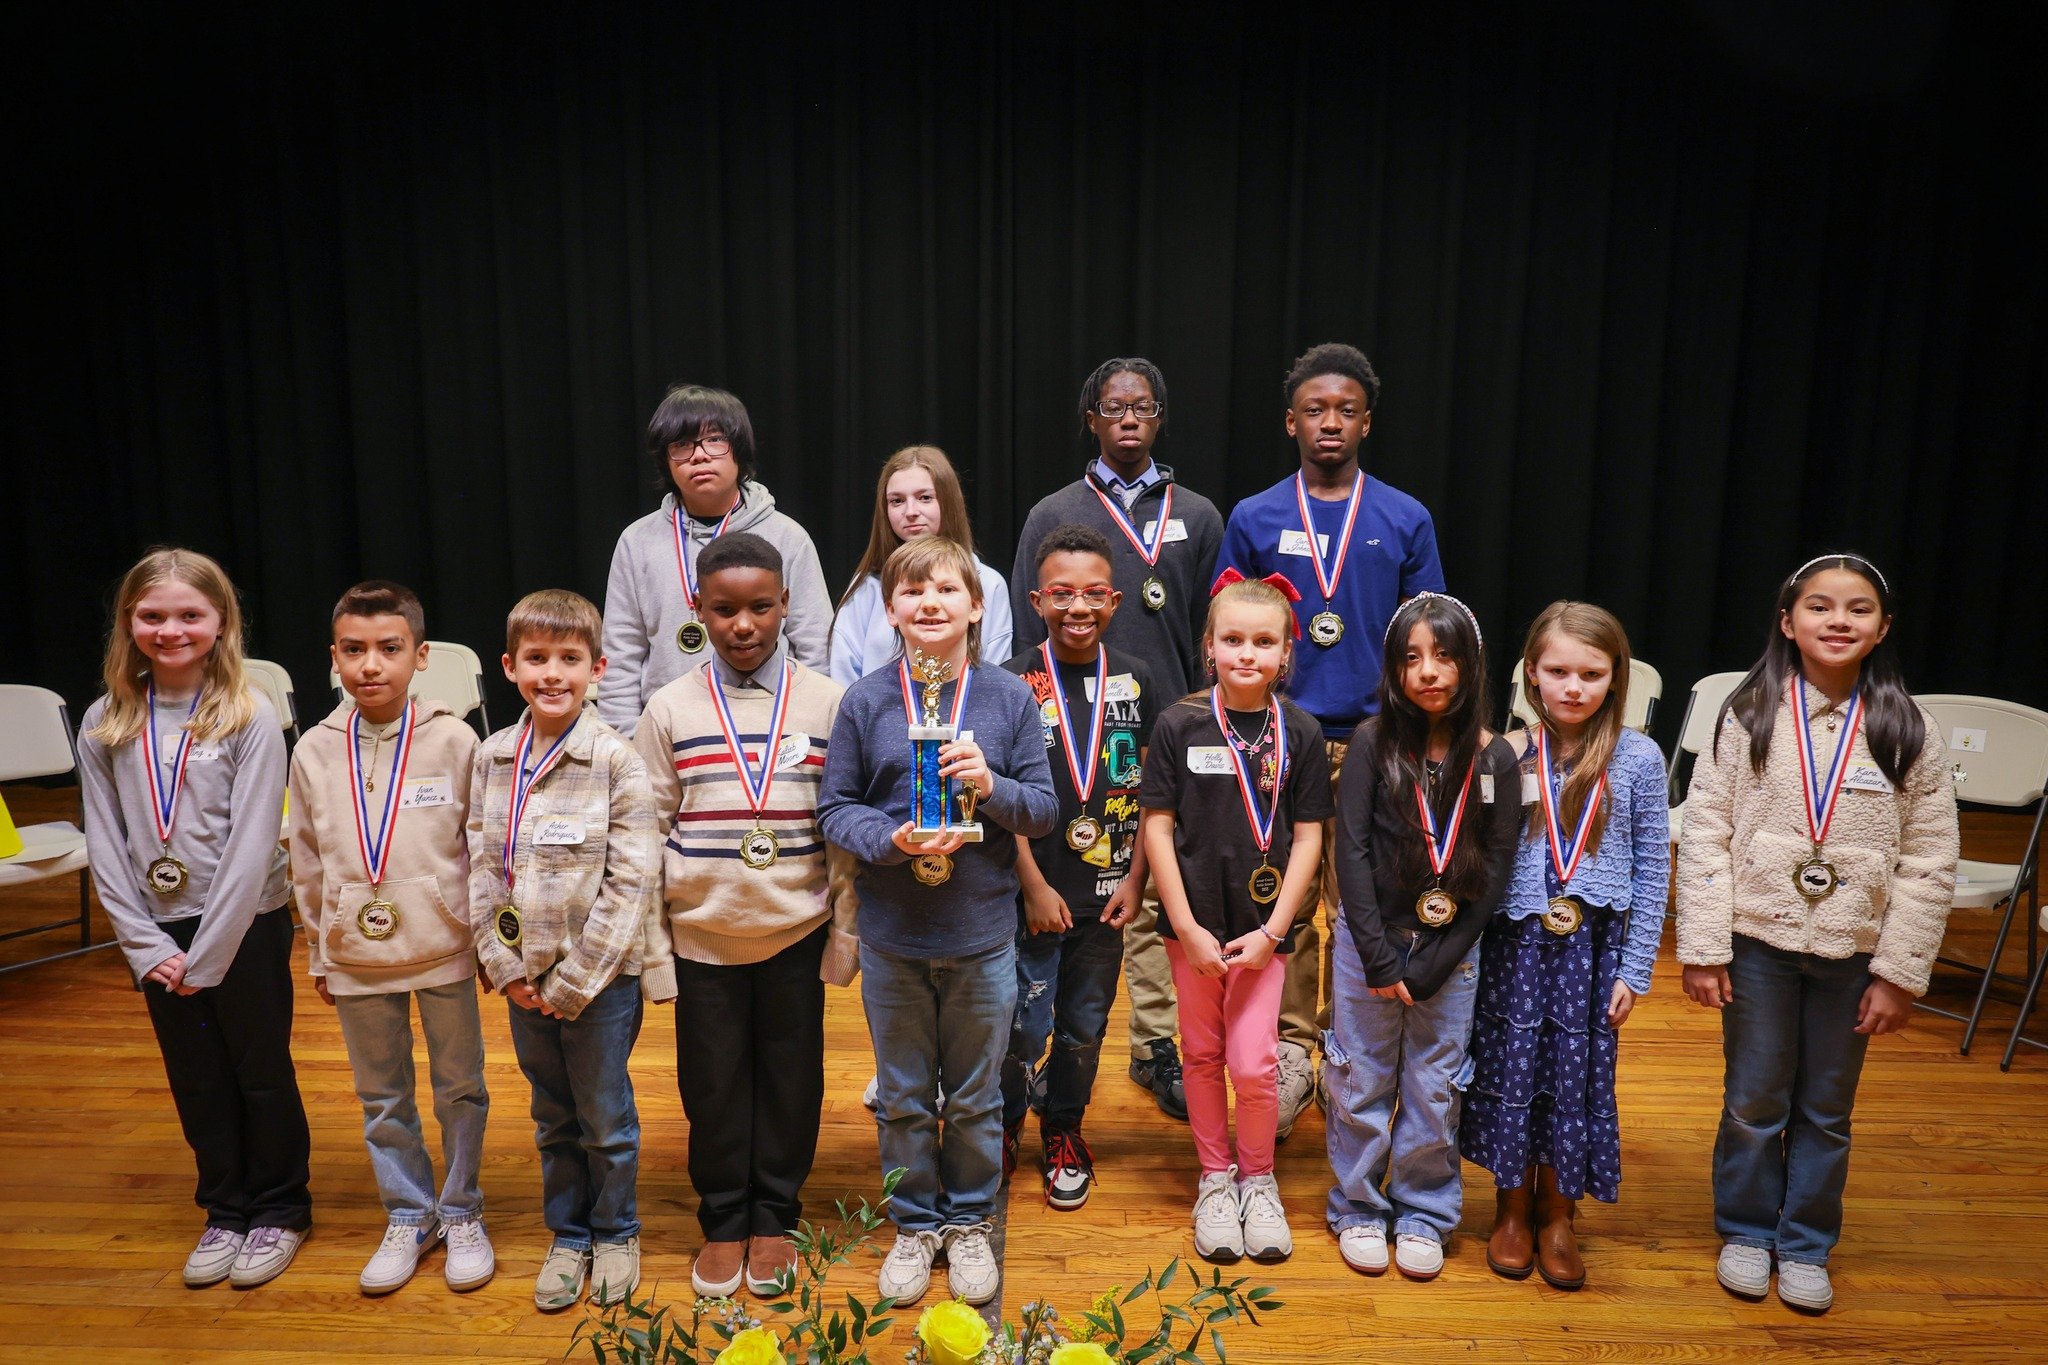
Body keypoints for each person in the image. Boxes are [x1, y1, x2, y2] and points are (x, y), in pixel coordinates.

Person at [1677, 554, 1957, 1314]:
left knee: (1827, 1109)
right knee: (1753, 1099)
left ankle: (1803, 1241)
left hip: (1855, 953)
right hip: (1758, 945)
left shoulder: (1909, 728)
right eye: (1820, 606)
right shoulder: (1750, 712)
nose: (1838, 620)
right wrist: (1703, 947)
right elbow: (1705, 829)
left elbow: (1932, 857)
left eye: (1858, 608)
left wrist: (1900, 970)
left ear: (1883, 628)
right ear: (1787, 620)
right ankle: (1744, 1229)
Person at [817, 537, 1057, 1306]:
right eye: (912, 591)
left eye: (946, 590)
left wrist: (991, 786)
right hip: (893, 939)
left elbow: (1046, 811)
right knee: (905, 1095)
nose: (929, 602)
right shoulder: (864, 700)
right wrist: (888, 841)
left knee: (980, 1094)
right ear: (890, 609)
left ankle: (969, 1222)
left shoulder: (1009, 698)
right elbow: (834, 808)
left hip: (982, 936)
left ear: (977, 604)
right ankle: (915, 1223)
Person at [1217, 343, 1445, 1139]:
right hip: (1284, 738)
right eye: (1315, 408)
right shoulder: (1255, 516)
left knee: (1363, 911)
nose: (1330, 421)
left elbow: (1433, 634)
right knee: (1284, 898)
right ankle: (1288, 1053)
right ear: (1291, 420)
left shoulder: (1404, 517)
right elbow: (1226, 626)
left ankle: (1352, 1057)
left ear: (1367, 422)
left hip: (1379, 741)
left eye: (1346, 409)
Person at [632, 533, 858, 1301]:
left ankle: (776, 1215)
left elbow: (843, 835)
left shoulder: (828, 703)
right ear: (697, 609)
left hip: (796, 930)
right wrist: (655, 954)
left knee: (792, 1081)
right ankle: (725, 1218)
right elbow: (644, 837)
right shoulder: (668, 706)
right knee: (713, 1085)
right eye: (723, 609)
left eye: (761, 606)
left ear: (786, 604)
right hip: (702, 937)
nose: (743, 624)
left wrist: (843, 940)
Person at [77, 547, 311, 1289]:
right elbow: (104, 842)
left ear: (220, 622)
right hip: (158, 931)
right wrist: (145, 946)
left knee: (260, 1070)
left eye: (189, 614)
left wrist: (207, 955)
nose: (170, 629)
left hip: (244, 924)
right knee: (197, 1076)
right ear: (128, 622)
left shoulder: (249, 711)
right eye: (152, 614)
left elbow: (250, 845)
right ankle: (225, 1206)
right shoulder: (105, 718)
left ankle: (279, 1208)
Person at [1011, 357, 1224, 1123]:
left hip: (1158, 722)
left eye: (1142, 406)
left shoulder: (1197, 513)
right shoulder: (1053, 511)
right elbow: (1018, 618)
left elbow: (1209, 627)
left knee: (1144, 899)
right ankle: (1024, 1097)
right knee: (1053, 944)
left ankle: (1155, 1046)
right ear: (1091, 418)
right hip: (1059, 730)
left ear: (1160, 417)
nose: (1128, 417)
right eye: (1113, 406)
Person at [468, 590, 674, 1311]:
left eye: (568, 659)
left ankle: (617, 1230)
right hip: (523, 982)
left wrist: (573, 982)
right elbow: (481, 867)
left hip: (598, 984)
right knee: (553, 1114)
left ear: (597, 667)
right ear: (509, 666)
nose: (551, 673)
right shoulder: (492, 756)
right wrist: (503, 967)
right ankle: (570, 1232)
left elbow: (632, 881)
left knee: (605, 1114)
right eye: (535, 658)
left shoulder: (617, 761)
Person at [289, 580, 494, 1295]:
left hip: (443, 946)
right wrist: (319, 947)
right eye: (354, 650)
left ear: (420, 655)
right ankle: (410, 1212)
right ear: (334, 657)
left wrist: (485, 943)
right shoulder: (314, 748)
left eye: (389, 648)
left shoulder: (455, 737)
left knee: (460, 1086)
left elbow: (480, 847)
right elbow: (307, 857)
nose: (370, 664)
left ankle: (463, 1207)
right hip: (355, 953)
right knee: (381, 1095)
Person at [1459, 602, 1671, 1290]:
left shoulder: (1637, 757)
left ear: (1618, 679)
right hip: (1515, 947)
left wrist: (1635, 968)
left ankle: (1559, 1212)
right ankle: (1511, 1206)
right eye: (1558, 671)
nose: (1573, 686)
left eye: (1591, 672)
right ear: (1531, 674)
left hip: (1593, 953)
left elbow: (1652, 867)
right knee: (1514, 1075)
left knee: (1575, 1082)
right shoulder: (1506, 752)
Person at [1139, 571, 1332, 1264]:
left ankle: (1258, 1178)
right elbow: (1156, 827)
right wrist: (1185, 925)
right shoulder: (1177, 724)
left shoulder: (1301, 732)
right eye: (1232, 639)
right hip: (1191, 930)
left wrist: (1276, 929)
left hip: (1263, 933)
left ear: (1287, 651)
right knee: (1200, 1054)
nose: (1246, 653)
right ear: (1209, 645)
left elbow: (1309, 836)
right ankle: (1215, 1178)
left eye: (1263, 640)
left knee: (1253, 1066)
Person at [1326, 594, 1520, 1279]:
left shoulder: (1496, 758)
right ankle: (1356, 1205)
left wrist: (1439, 961)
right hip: (1369, 943)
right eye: (1411, 657)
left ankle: (1423, 1212)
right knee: (1360, 1076)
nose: (1428, 671)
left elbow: (1495, 873)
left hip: (1451, 952)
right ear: (1393, 668)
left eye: (1443, 655)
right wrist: (1379, 953)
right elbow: (1348, 852)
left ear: (1471, 664)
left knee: (1436, 1085)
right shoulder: (1372, 743)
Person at [1000, 525, 1159, 1208]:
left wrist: (1137, 880)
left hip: (1108, 895)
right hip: (1030, 894)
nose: (1078, 607)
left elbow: (1155, 793)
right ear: (1037, 598)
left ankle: (1063, 1126)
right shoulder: (1009, 681)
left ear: (1117, 598)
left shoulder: (1137, 678)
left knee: (1084, 1028)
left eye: (1094, 593)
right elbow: (996, 798)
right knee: (1020, 1026)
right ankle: (1004, 1123)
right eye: (1061, 593)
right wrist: (1031, 882)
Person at [598, 384, 833, 735]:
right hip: (668, 733)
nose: (699, 456)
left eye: (715, 440)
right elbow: (620, 658)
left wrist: (808, 729)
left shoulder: (788, 536)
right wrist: (630, 744)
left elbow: (816, 649)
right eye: (681, 445)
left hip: (773, 727)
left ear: (739, 450)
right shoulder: (637, 542)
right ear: (665, 459)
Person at [831, 444, 1013, 685]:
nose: (911, 511)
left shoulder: (988, 583)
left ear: (948, 501)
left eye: (925, 498)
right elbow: (843, 680)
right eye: (896, 501)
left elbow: (996, 678)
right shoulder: (867, 585)